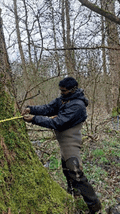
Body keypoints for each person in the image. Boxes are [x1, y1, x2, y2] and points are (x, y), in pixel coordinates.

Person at [22, 77, 101, 214]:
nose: (61, 93)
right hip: (63, 141)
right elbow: (49, 108)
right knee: (66, 168)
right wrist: (31, 109)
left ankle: (95, 206)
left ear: (72, 90)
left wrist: (34, 119)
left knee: (75, 171)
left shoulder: (77, 105)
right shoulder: (63, 99)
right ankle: (74, 194)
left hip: (71, 140)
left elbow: (58, 122)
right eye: (60, 90)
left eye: (63, 91)